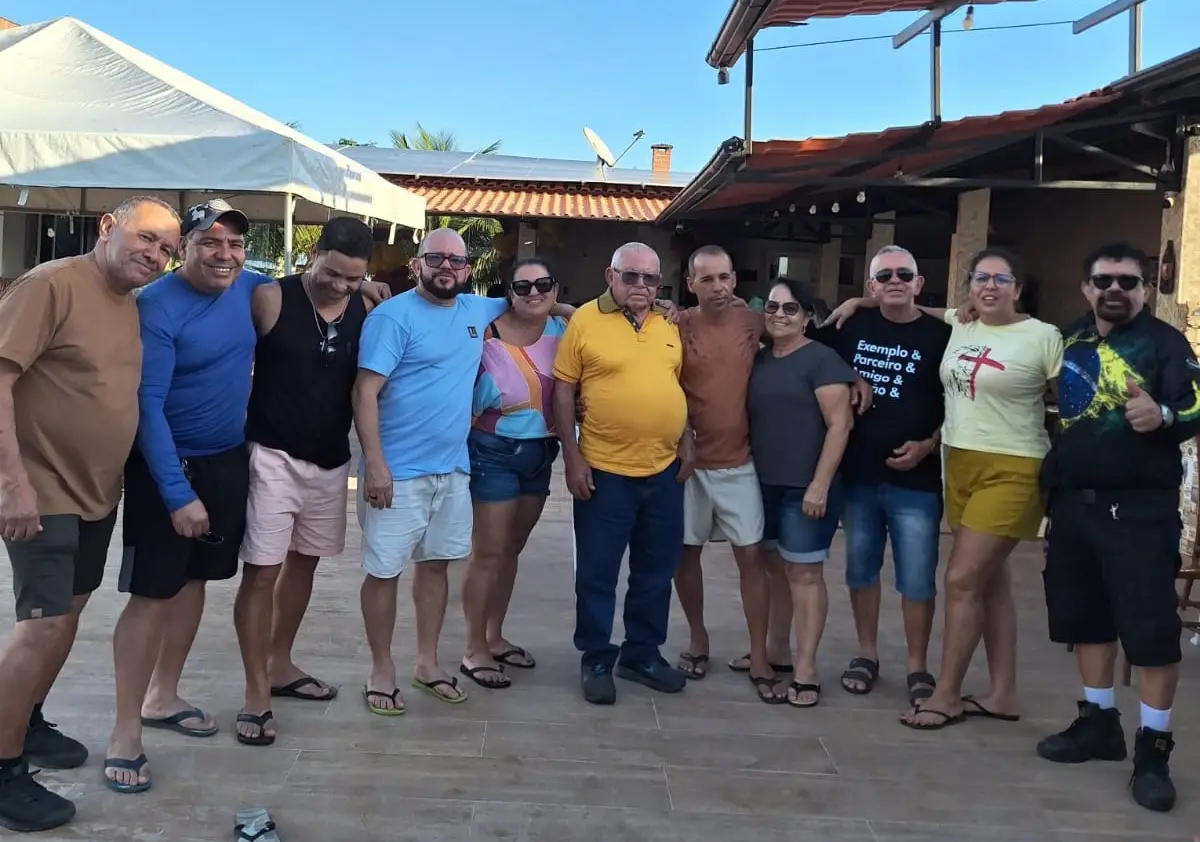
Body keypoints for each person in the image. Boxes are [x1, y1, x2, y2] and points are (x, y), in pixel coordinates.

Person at [105, 200, 391, 789]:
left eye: (234, 244)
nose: (224, 254)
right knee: (151, 594)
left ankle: (163, 696)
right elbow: (146, 404)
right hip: (169, 466)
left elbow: (309, 286)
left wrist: (363, 286)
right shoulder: (157, 305)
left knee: (194, 583)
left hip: (228, 460)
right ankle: (124, 733)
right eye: (209, 242)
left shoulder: (249, 287)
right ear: (182, 247)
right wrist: (176, 491)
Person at [0, 197, 180, 832]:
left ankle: (25, 720)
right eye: (147, 238)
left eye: (166, 249)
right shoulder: (51, 285)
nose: (155, 255)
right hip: (41, 488)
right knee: (43, 624)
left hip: (95, 493)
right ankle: (3, 768)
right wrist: (11, 484)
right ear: (108, 227)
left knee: (68, 613)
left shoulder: (128, 301)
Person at [830, 247, 1062, 729]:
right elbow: (908, 303)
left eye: (1002, 279)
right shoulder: (961, 324)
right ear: (969, 288)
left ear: (1019, 288)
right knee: (991, 583)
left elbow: (1073, 402)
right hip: (958, 465)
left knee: (959, 580)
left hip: (1014, 465)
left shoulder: (1043, 336)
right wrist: (859, 301)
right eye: (982, 279)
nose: (991, 287)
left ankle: (947, 694)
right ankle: (1002, 693)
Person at [354, 229, 572, 714]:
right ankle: (381, 670)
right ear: (417, 265)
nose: (447, 268)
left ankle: (428, 664)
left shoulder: (476, 309)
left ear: (468, 269)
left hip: (453, 468)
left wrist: (579, 312)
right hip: (398, 472)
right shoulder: (392, 316)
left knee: (436, 567)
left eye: (456, 260)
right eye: (436, 259)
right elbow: (365, 391)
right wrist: (375, 465)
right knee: (384, 571)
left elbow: (531, 301)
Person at [1038, 241, 1199, 813]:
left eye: (1127, 282)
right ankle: (1098, 723)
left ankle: (1153, 752)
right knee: (1087, 621)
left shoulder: (1165, 344)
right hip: (1075, 506)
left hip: (1139, 511)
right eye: (1103, 280)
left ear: (1145, 289)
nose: (1114, 289)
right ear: (1086, 287)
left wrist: (1164, 414)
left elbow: (1197, 404)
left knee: (1151, 632)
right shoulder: (1070, 338)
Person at [235, 218, 378, 744]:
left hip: (331, 460)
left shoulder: (367, 305)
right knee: (261, 572)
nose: (341, 286)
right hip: (270, 455)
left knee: (304, 564)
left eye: (353, 278)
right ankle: (255, 691)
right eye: (333, 273)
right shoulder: (271, 298)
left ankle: (280, 663)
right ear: (314, 251)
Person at [552, 242, 692, 705]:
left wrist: (686, 439)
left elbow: (675, 384)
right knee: (597, 572)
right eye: (631, 276)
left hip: (663, 470)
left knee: (656, 570)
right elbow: (563, 390)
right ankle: (596, 657)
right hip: (604, 470)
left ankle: (641, 654)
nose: (641, 286)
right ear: (610, 276)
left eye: (651, 279)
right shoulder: (584, 321)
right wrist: (572, 457)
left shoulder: (669, 322)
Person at [811, 246, 949, 706]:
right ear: (871, 285)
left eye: (904, 274)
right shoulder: (850, 326)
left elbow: (959, 401)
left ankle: (917, 665)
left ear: (919, 283)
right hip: (860, 476)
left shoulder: (942, 335)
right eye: (884, 276)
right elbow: (803, 347)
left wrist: (929, 444)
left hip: (918, 480)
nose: (895, 281)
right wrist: (849, 374)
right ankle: (866, 654)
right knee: (861, 571)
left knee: (918, 579)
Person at [670, 245, 782, 702]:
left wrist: (847, 376)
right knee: (685, 554)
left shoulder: (755, 323)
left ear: (734, 280)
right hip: (688, 466)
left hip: (740, 463)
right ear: (690, 284)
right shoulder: (675, 326)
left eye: (724, 277)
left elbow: (807, 338)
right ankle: (698, 639)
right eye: (707, 279)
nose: (717, 287)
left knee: (752, 558)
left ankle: (759, 654)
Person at [458, 259, 566, 689]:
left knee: (510, 550)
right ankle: (473, 648)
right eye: (523, 286)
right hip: (493, 450)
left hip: (542, 452)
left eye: (543, 284)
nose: (533, 292)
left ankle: (494, 636)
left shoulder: (564, 330)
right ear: (509, 293)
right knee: (488, 551)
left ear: (554, 288)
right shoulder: (484, 333)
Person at [748, 278, 856, 708]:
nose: (779, 315)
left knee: (805, 575)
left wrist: (820, 483)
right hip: (763, 484)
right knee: (775, 570)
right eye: (772, 307)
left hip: (805, 488)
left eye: (791, 308)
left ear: (808, 316)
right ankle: (776, 651)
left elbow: (840, 424)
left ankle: (806, 668)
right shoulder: (760, 359)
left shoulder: (822, 360)